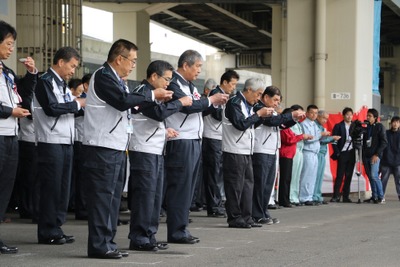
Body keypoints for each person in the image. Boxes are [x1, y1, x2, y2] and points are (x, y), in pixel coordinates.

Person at [82, 39, 172, 259]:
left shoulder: (117, 79)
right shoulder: (103, 75)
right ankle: (99, 244)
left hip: (116, 144)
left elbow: (127, 100)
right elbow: (123, 101)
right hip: (102, 145)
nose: (133, 65)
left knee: (112, 198)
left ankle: (107, 241)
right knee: (104, 197)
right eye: (132, 60)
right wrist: (152, 95)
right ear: (119, 58)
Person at [164, 50, 228, 244]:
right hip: (180, 139)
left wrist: (214, 103)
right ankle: (176, 231)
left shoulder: (189, 85)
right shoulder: (174, 83)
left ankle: (181, 227)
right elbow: (189, 106)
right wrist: (210, 100)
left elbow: (199, 106)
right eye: (198, 66)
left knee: (189, 187)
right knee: (180, 187)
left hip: (192, 139)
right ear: (185, 65)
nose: (200, 70)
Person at [127, 60, 192, 252]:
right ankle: (139, 237)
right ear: (154, 76)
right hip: (143, 150)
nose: (168, 84)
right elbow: (157, 113)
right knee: (144, 196)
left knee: (155, 196)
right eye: (166, 79)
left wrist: (164, 131)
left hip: (155, 149)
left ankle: (149, 235)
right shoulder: (142, 92)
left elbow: (152, 119)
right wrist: (179, 103)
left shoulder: (155, 93)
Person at [33, 46, 85, 245]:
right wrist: (78, 104)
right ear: (61, 62)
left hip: (66, 141)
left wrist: (82, 107)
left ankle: (56, 227)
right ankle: (47, 231)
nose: (73, 71)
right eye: (72, 66)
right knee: (51, 188)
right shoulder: (45, 81)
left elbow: (71, 109)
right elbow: (52, 109)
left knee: (63, 188)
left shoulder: (62, 84)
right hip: (50, 140)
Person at [0, 20, 37, 254]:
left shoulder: (8, 72)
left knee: (5, 188)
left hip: (11, 135)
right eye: (8, 43)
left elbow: (22, 95)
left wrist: (31, 74)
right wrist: (8, 111)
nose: (12, 48)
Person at [222, 78, 274, 229]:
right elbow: (240, 124)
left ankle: (247, 216)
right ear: (249, 90)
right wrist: (259, 114)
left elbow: (250, 124)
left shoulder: (249, 105)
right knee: (235, 185)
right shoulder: (234, 103)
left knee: (247, 185)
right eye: (258, 94)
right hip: (234, 149)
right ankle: (235, 217)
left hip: (246, 149)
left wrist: (262, 116)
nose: (259, 98)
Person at [252, 86, 305, 224]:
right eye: (275, 100)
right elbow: (272, 122)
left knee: (268, 184)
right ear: (266, 97)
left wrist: (294, 119)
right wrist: (291, 114)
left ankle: (263, 212)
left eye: (278, 101)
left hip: (271, 150)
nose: (276, 103)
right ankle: (256, 214)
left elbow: (280, 124)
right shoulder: (260, 109)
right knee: (260, 184)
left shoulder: (273, 111)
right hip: (260, 150)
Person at [202, 70, 239, 217]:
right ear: (224, 82)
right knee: (213, 173)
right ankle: (214, 206)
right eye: (232, 84)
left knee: (219, 173)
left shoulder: (227, 96)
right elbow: (217, 115)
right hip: (212, 137)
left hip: (221, 138)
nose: (234, 87)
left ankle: (218, 202)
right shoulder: (215, 94)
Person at [279, 108, 312, 208]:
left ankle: (286, 199)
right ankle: (284, 200)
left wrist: (299, 136)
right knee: (285, 179)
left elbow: (293, 136)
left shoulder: (288, 127)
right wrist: (301, 136)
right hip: (285, 154)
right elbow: (289, 139)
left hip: (290, 154)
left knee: (289, 178)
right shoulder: (283, 127)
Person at [73, 74, 92, 220]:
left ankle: (86, 207)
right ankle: (82, 208)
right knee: (82, 177)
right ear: (85, 85)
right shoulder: (80, 100)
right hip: (80, 140)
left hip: (90, 141)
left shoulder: (94, 99)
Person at [313, 110, 340, 204]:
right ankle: (314, 195)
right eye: (323, 118)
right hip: (318, 152)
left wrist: (331, 139)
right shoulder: (315, 126)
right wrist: (332, 138)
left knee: (320, 176)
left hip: (322, 153)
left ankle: (317, 195)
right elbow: (319, 139)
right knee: (316, 176)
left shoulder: (321, 126)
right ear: (318, 117)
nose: (325, 120)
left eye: (326, 119)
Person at [330, 107, 356, 203]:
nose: (349, 116)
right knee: (340, 175)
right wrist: (337, 152)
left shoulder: (355, 126)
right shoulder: (338, 126)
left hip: (352, 153)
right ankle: (336, 195)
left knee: (349, 175)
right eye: (347, 114)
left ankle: (346, 196)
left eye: (351, 114)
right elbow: (334, 141)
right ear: (343, 115)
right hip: (342, 153)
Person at [362, 108, 387, 204]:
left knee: (374, 175)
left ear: (375, 118)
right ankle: (374, 196)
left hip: (375, 155)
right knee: (370, 177)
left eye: (370, 116)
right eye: (367, 115)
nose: (368, 117)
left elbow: (384, 142)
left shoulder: (380, 127)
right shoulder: (366, 127)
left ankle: (381, 196)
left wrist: (377, 154)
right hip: (366, 155)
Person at [299, 105, 323, 206]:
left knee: (313, 176)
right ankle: (304, 197)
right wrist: (321, 135)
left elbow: (317, 136)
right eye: (312, 112)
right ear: (307, 113)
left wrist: (320, 135)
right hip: (307, 151)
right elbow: (308, 139)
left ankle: (310, 195)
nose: (314, 115)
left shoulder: (314, 125)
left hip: (315, 152)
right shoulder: (304, 124)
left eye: (316, 113)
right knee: (306, 176)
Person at [289, 104, 305, 206]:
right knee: (292, 174)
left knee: (297, 175)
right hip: (293, 150)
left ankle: (295, 196)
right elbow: (293, 137)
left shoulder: (298, 124)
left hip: (300, 150)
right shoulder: (290, 124)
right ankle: (290, 196)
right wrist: (302, 136)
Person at [380, 116, 400, 200]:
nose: (395, 124)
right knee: (383, 180)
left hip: (398, 162)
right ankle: (381, 195)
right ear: (391, 123)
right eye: (394, 122)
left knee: (398, 181)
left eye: (397, 122)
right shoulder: (386, 133)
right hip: (386, 161)